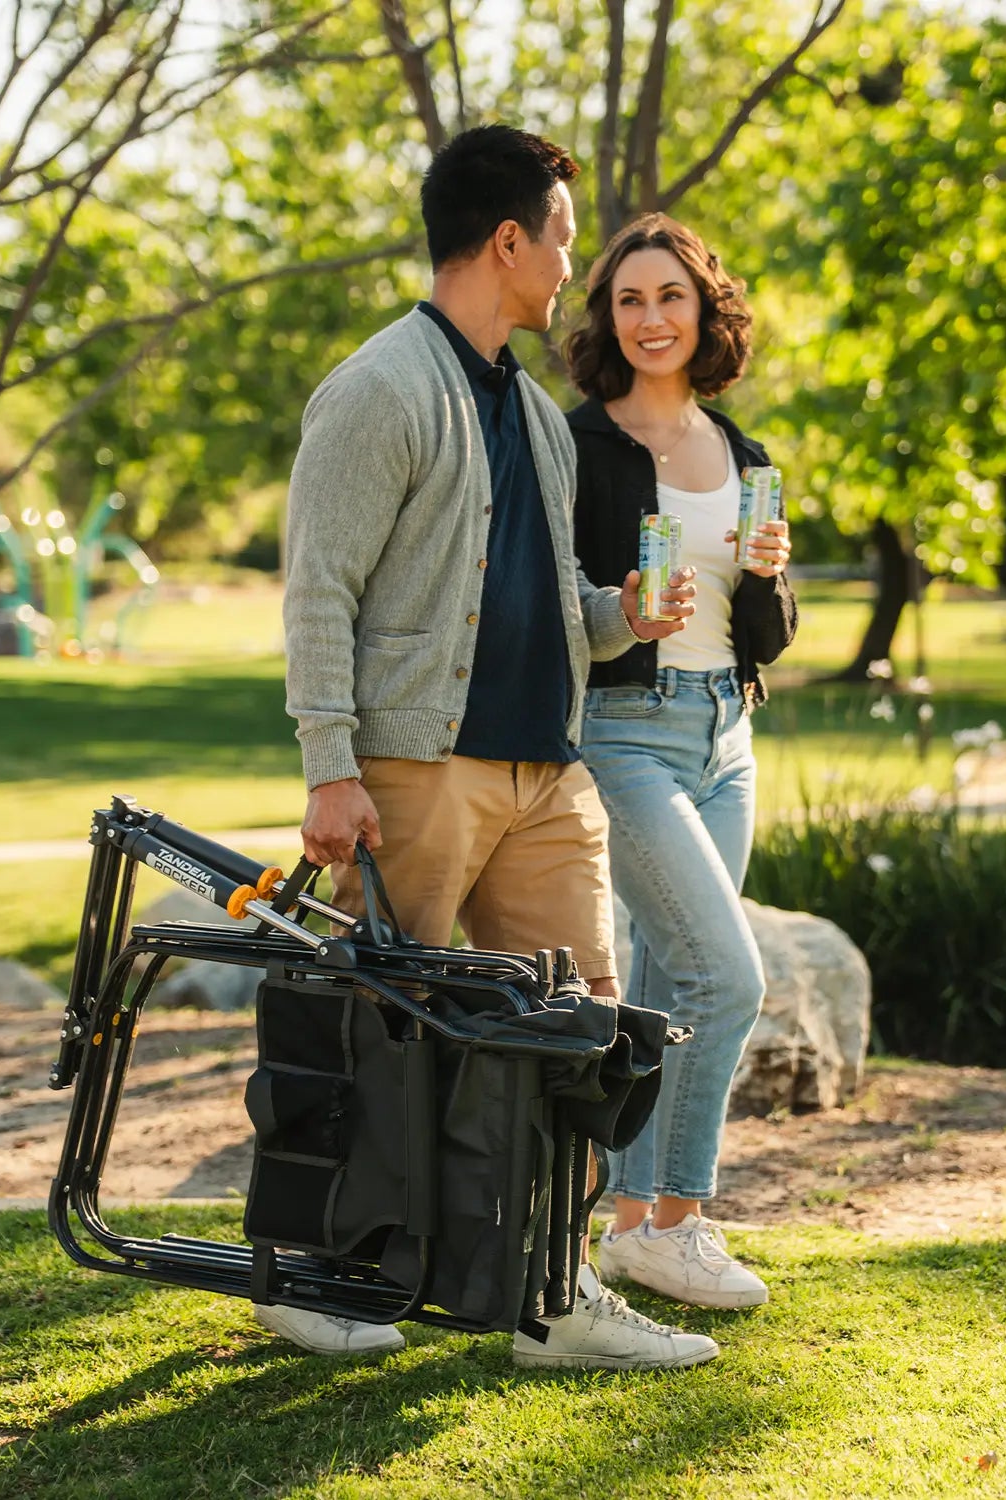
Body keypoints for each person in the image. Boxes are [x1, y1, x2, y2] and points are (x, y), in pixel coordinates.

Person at [275, 128, 717, 1370]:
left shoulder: (532, 407)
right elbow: (319, 591)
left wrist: (620, 616)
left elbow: (543, 592)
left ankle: (553, 1292)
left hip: (543, 772)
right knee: (392, 1033)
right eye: (567, 238)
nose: (575, 261)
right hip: (419, 769)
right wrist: (330, 764)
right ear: (508, 240)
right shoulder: (378, 388)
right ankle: (329, 1277)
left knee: (577, 1035)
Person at [563, 213, 798, 1309]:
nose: (651, 318)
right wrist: (625, 613)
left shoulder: (742, 454)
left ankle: (633, 1227)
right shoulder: (579, 445)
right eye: (629, 299)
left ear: (705, 311)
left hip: (727, 734)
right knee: (728, 974)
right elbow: (554, 609)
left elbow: (771, 633)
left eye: (671, 297)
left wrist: (767, 578)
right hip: (625, 732)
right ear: (609, 319)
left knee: (669, 991)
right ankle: (685, 1219)